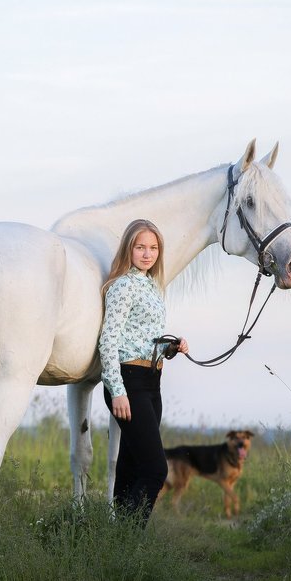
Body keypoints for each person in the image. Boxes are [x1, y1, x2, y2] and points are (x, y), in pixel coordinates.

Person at [99, 219, 188, 524]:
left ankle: (116, 545)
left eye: (153, 248)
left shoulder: (153, 286)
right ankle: (128, 536)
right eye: (140, 247)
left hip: (152, 381)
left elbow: (139, 339)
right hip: (129, 382)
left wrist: (171, 348)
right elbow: (109, 341)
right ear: (129, 248)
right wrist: (117, 391)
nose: (147, 253)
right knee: (156, 469)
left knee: (132, 465)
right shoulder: (122, 286)